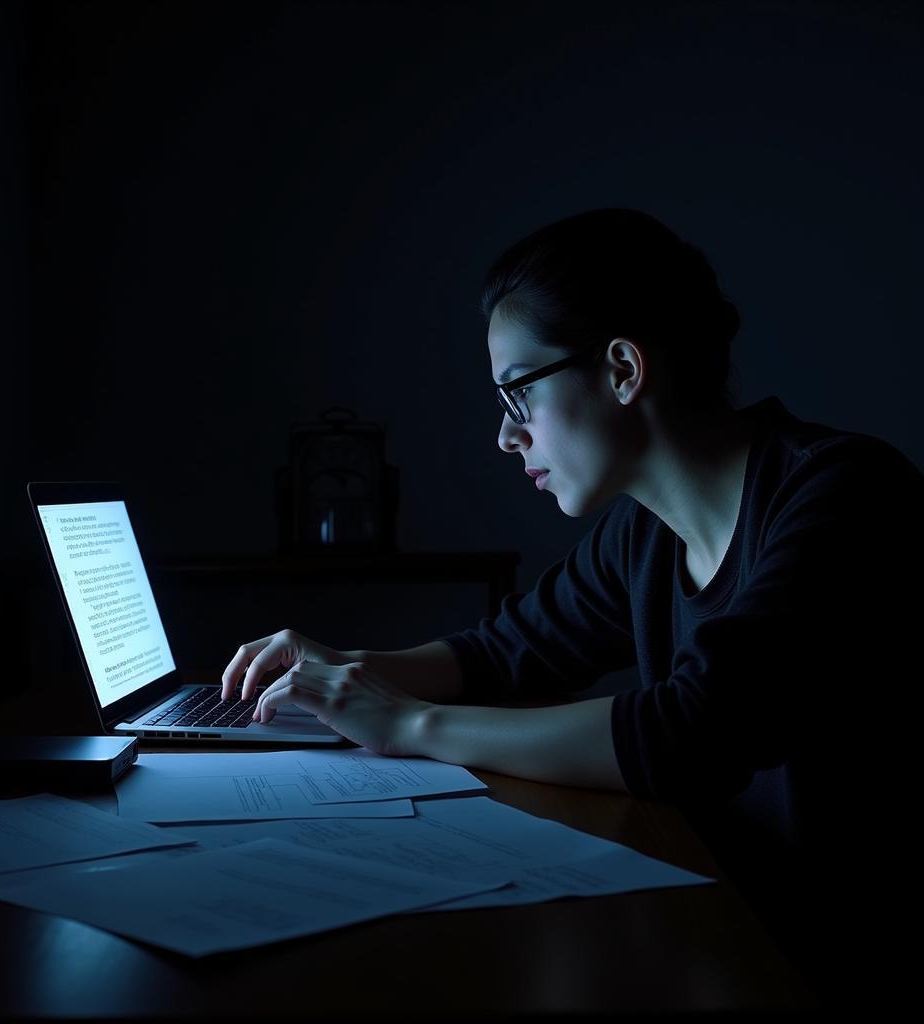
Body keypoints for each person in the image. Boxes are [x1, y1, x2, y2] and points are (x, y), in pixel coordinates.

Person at [221, 208, 921, 1007]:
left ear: (623, 369)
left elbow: (695, 731)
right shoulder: (642, 535)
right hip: (731, 930)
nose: (505, 436)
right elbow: (505, 652)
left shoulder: (845, 494)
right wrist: (343, 670)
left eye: (517, 394)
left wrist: (407, 725)